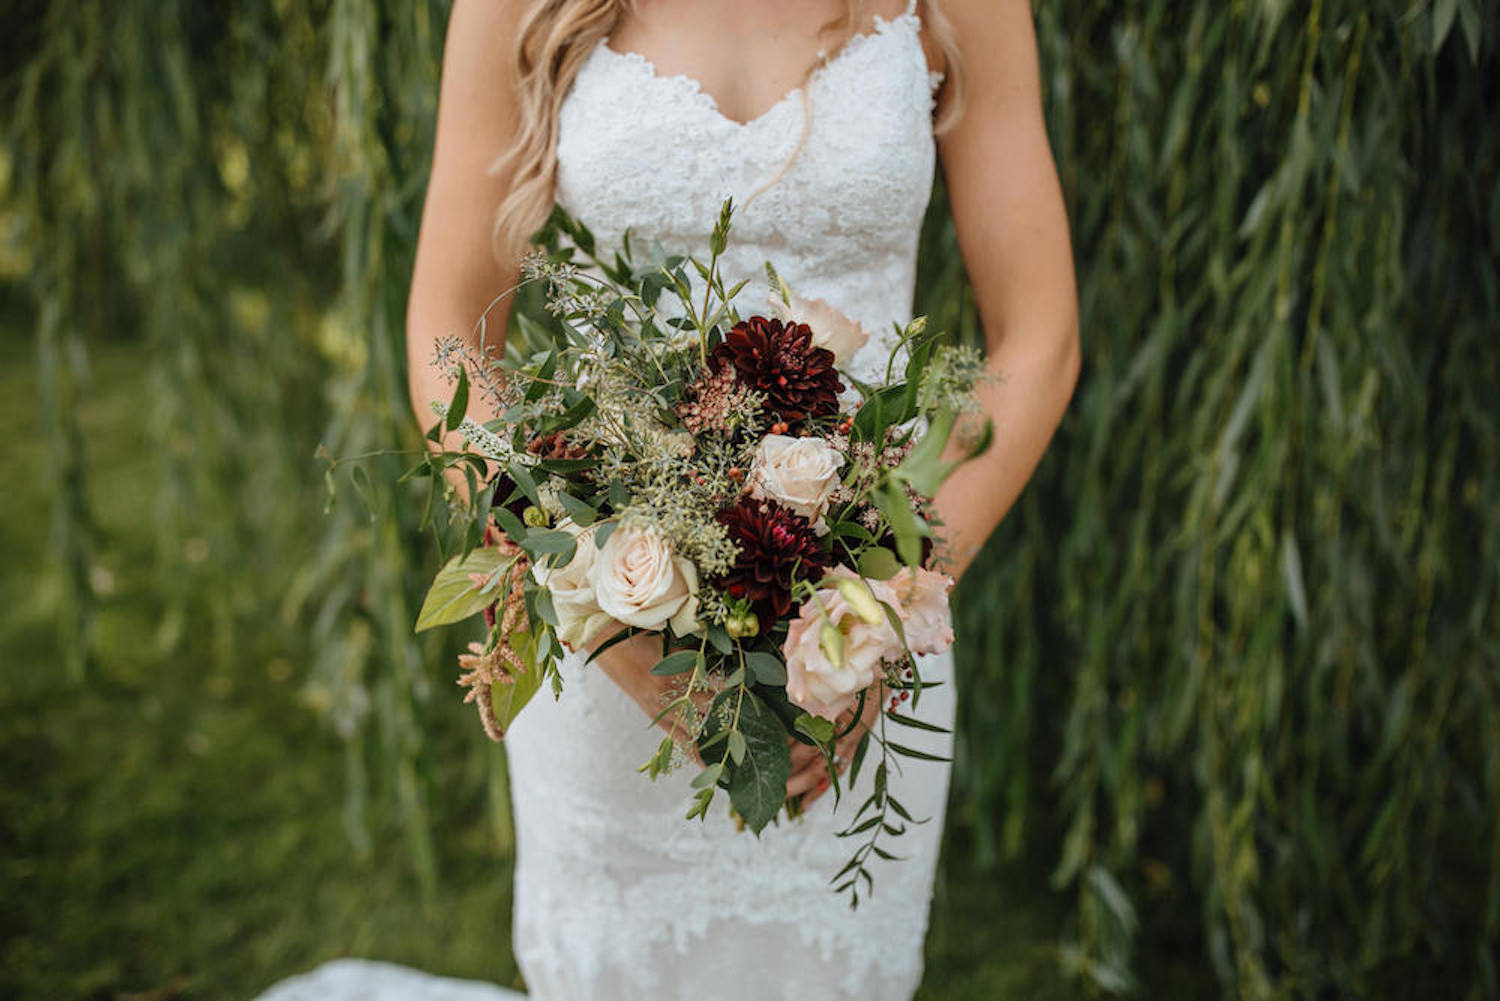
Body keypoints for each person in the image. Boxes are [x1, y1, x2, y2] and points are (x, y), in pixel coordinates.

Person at [258, 0, 1077, 998]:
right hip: (612, 649)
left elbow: (1040, 336)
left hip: (852, 639)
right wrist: (599, 606)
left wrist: (888, 599)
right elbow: (449, 337)